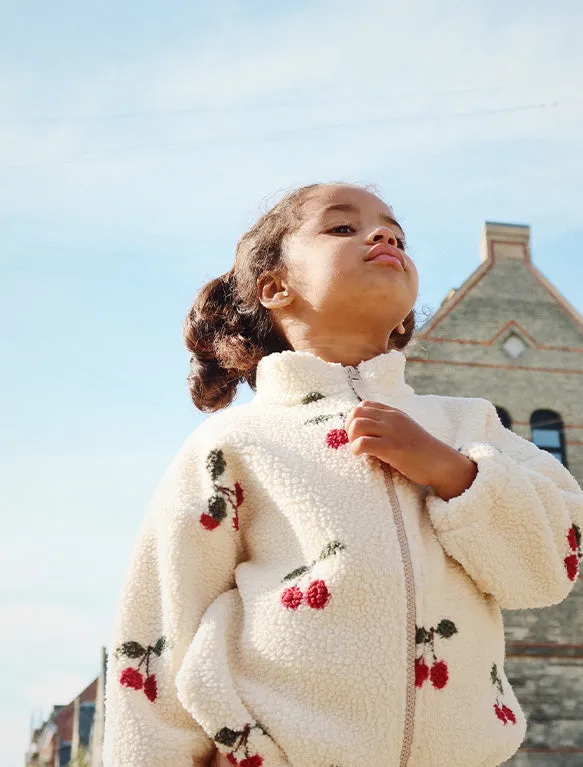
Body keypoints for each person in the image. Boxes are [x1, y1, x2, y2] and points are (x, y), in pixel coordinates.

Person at [102, 182, 583, 767]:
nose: (382, 236)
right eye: (341, 227)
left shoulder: (469, 423)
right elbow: (158, 629)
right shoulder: (232, 443)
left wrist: (453, 473)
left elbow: (550, 567)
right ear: (275, 288)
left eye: (396, 233)